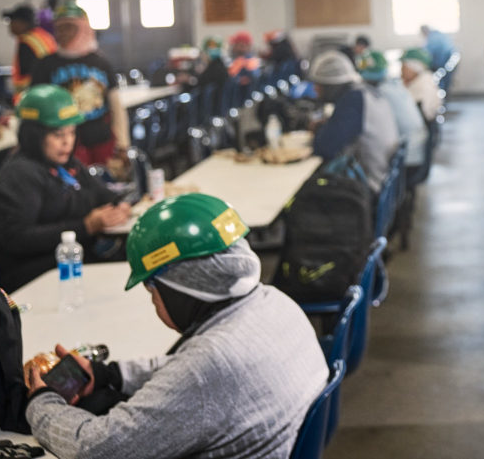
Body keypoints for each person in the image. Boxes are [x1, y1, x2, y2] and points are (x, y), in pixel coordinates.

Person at [24, 194, 327, 459]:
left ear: (178, 288)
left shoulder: (210, 364)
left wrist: (41, 402)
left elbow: (95, 449)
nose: (153, 302)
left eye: (151, 290)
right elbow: (186, 372)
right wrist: (111, 374)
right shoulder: (275, 304)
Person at [0, 85, 130, 292]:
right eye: (58, 134)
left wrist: (120, 205)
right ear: (34, 136)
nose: (67, 142)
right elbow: (17, 239)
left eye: (72, 132)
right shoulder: (17, 176)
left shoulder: (67, 164)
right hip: (35, 279)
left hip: (74, 266)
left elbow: (103, 194)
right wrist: (85, 227)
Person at [29, 2, 126, 167]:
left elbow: (116, 107)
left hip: (101, 141)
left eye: (69, 27)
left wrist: (123, 144)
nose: (63, 33)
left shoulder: (101, 63)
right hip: (63, 146)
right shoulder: (44, 65)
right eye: (59, 28)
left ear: (83, 28)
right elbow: (35, 108)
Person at [308, 51, 400, 188]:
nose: (315, 90)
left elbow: (324, 148)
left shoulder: (352, 100)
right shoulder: (364, 92)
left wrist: (319, 129)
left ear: (332, 85)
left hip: (368, 184)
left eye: (318, 85)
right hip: (385, 177)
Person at [1, 3, 56, 101]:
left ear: (23, 23)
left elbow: (28, 75)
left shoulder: (27, 42)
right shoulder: (42, 36)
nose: (10, 25)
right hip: (48, 93)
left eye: (12, 21)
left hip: (33, 97)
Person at [400, 48, 441, 123]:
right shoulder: (425, 78)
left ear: (414, 68)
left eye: (403, 67)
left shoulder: (423, 86)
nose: (401, 72)